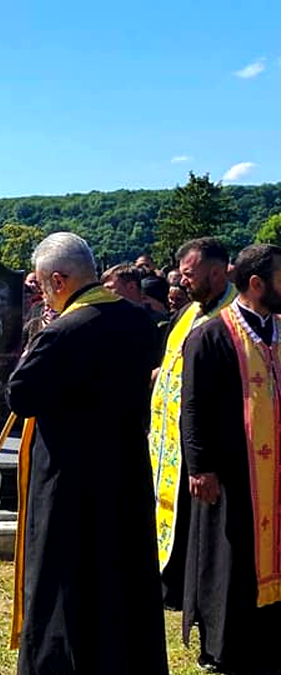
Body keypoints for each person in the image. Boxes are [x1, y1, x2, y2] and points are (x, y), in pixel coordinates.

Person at [7, 232, 167, 675]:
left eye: (41, 288)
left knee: (66, 576)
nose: (41, 296)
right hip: (123, 467)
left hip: (70, 477)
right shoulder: (137, 321)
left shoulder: (62, 332)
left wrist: (39, 337)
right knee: (120, 571)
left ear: (58, 281)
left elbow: (21, 395)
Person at [180, 244, 281, 673]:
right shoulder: (213, 334)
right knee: (230, 559)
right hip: (234, 471)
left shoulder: (279, 330)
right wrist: (201, 466)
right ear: (257, 283)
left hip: (275, 472)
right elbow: (194, 406)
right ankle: (225, 644)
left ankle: (273, 639)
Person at [150, 238, 234, 610]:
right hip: (170, 438)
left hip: (202, 441)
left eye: (189, 274)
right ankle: (168, 584)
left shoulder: (231, 317)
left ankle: (186, 590)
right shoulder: (190, 312)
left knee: (193, 519)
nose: (182, 282)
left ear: (216, 273)